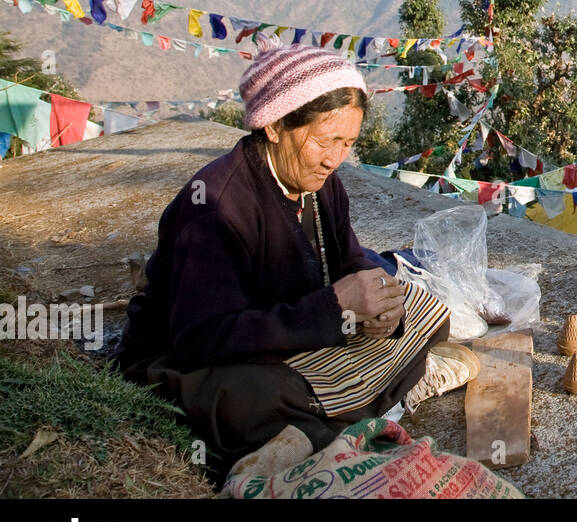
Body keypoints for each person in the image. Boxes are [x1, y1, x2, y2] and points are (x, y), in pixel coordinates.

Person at [117, 44, 478, 474]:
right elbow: (200, 339)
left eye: (347, 143)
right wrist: (333, 308)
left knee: (425, 310)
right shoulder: (216, 207)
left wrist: (380, 303)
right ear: (275, 126)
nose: (335, 158)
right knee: (250, 400)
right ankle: (360, 407)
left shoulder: (323, 183)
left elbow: (349, 261)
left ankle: (335, 417)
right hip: (203, 360)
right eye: (325, 141)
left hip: (295, 337)